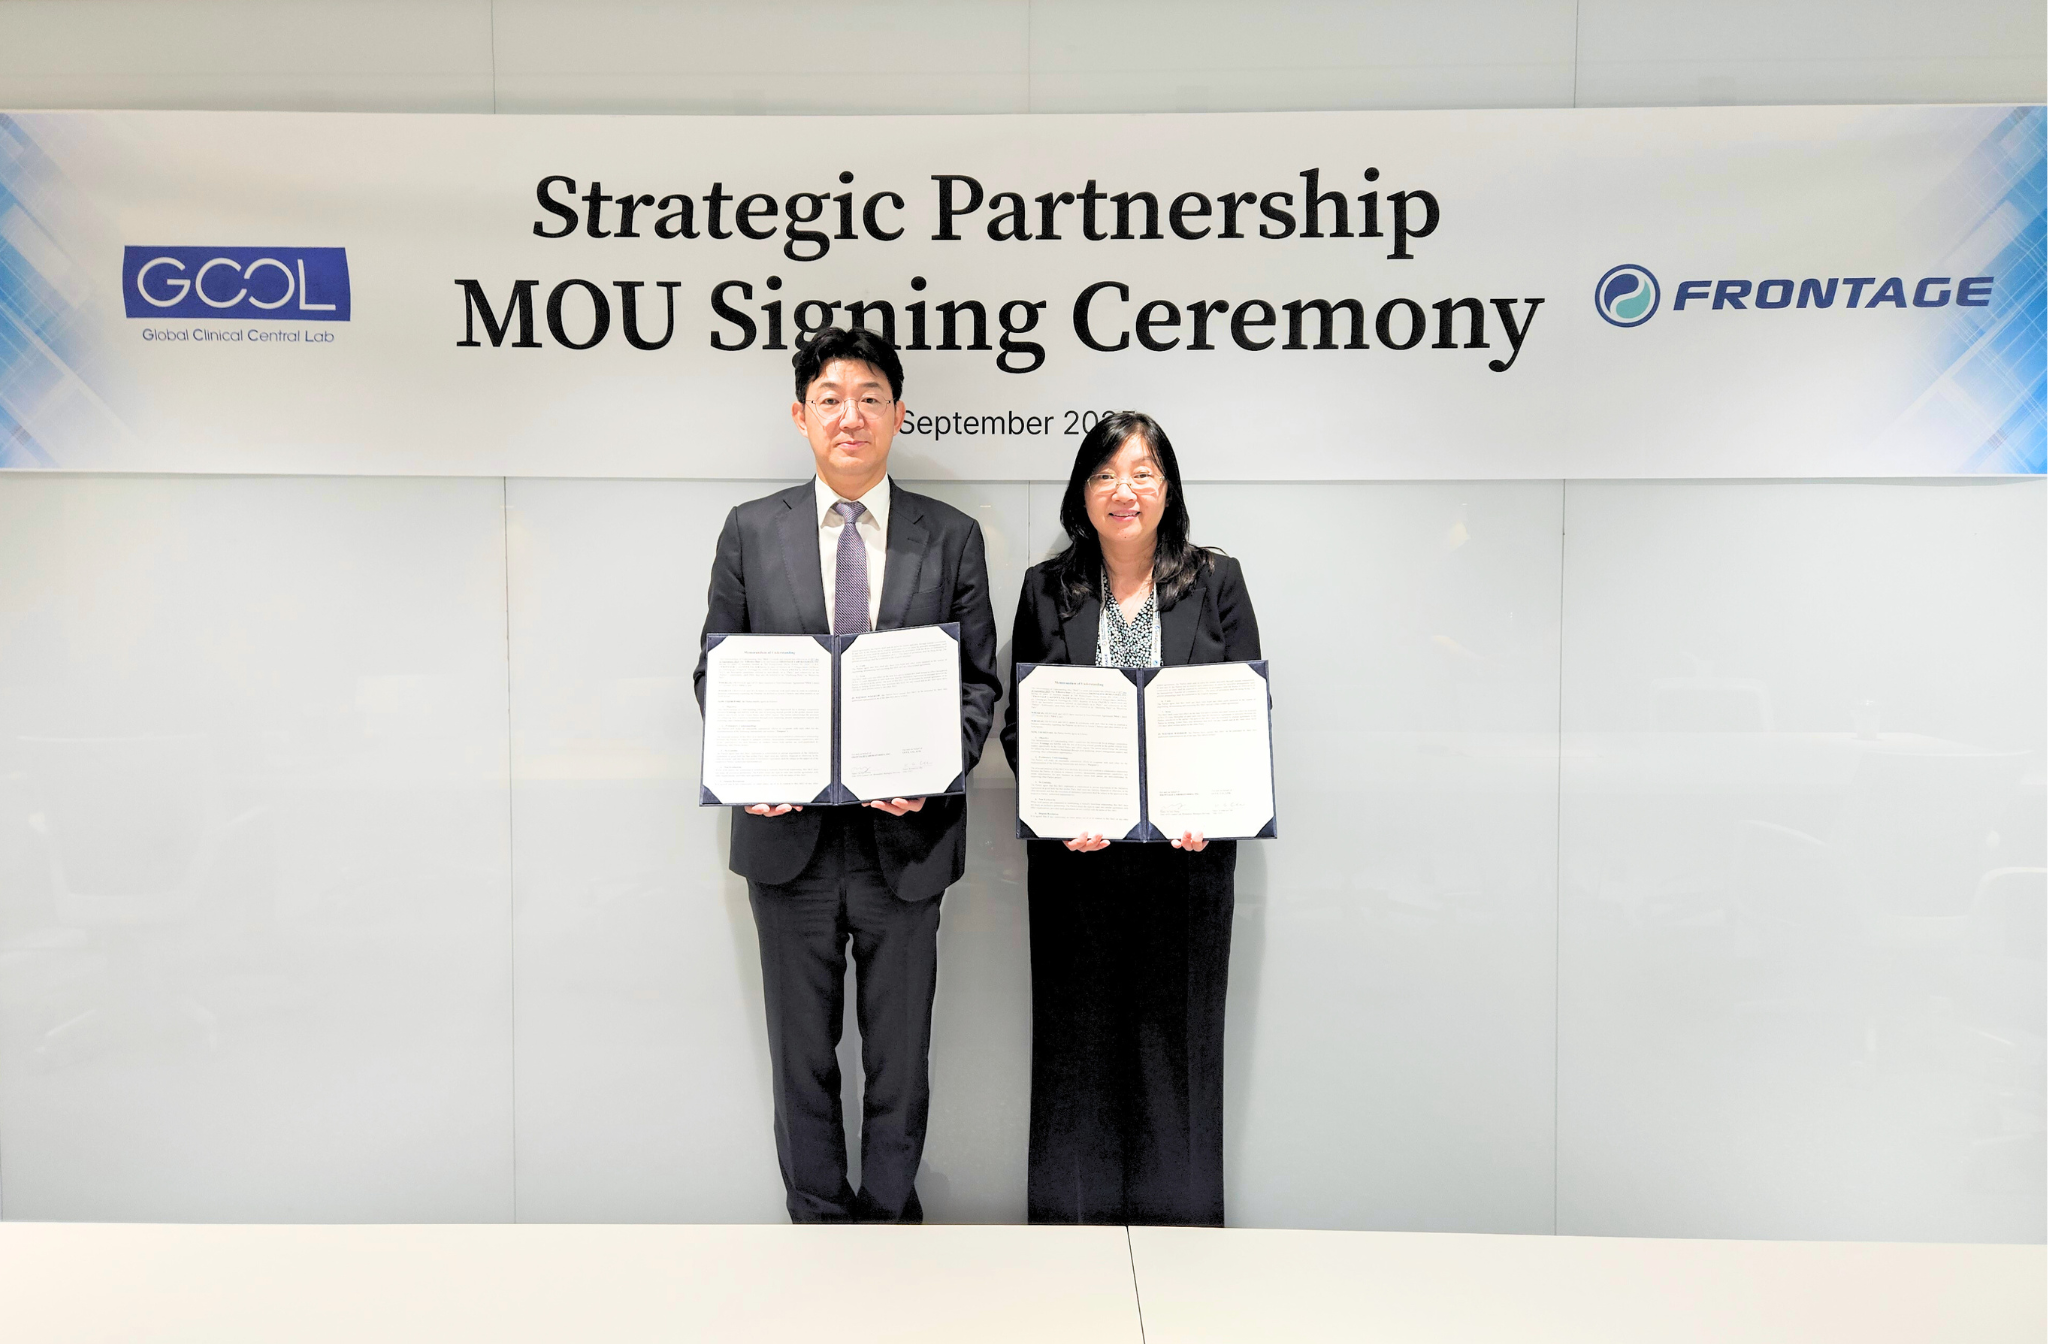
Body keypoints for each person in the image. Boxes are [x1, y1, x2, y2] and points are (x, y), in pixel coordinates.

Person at [693, 326, 1001, 1223]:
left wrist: (936, 766)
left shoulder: (951, 536)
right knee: (802, 1058)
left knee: (901, 1061)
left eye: (870, 398)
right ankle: (819, 1223)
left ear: (898, 414)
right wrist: (752, 764)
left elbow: (978, 683)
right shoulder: (750, 530)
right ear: (801, 416)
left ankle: (892, 1219)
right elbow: (717, 671)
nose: (850, 416)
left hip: (906, 840)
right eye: (830, 399)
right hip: (787, 841)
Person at [1000, 411, 1261, 1227]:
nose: (1125, 490)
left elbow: (1245, 709)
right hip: (1075, 862)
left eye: (1143, 473)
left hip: (1188, 863)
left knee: (1178, 1054)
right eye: (1107, 474)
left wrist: (1212, 806)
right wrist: (1057, 805)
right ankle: (1069, 1240)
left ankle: (1181, 1240)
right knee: (1075, 1055)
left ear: (1167, 488)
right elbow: (1021, 722)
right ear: (1083, 493)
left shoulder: (1216, 580)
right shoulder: (1046, 588)